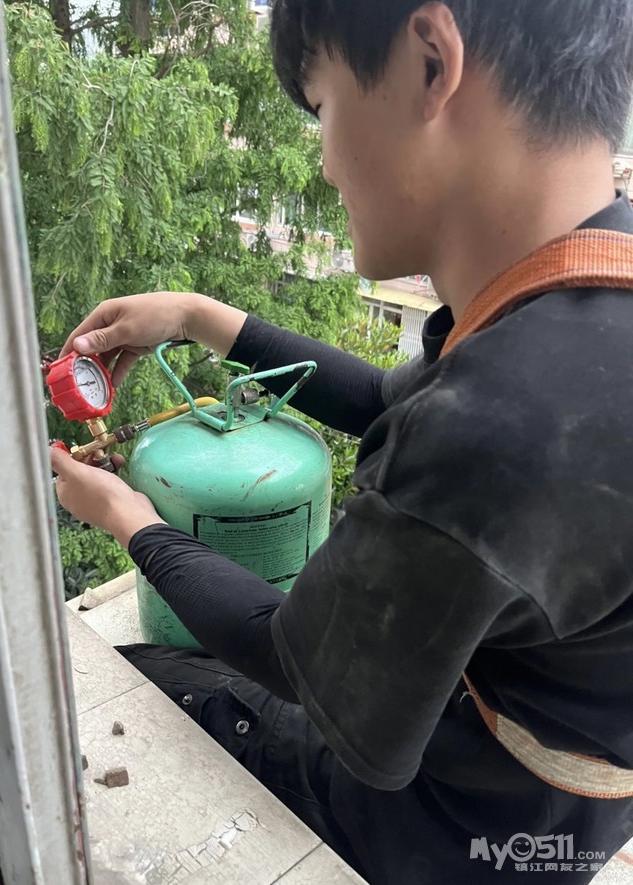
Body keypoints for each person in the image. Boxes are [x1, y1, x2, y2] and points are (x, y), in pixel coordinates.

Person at [50, 1, 633, 882]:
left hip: (462, 830)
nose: (325, 163)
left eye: (323, 107)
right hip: (577, 799)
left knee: (126, 681)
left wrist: (129, 518)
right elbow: (383, 399)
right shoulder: (581, 298)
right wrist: (200, 317)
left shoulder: (495, 424)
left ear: (431, 63)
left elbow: (296, 659)